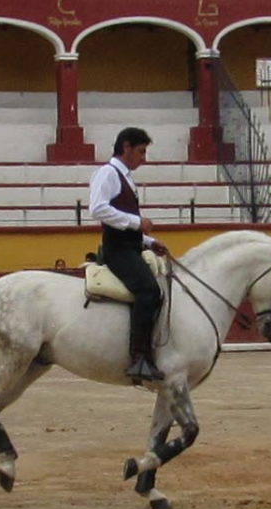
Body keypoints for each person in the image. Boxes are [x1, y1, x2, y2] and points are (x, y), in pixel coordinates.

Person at [89, 127, 168, 382]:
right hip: (117, 251)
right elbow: (98, 209)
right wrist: (137, 223)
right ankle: (139, 358)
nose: (143, 158)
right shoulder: (109, 173)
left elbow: (121, 222)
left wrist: (148, 241)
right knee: (149, 291)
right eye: (141, 151)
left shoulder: (123, 176)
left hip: (129, 246)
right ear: (126, 147)